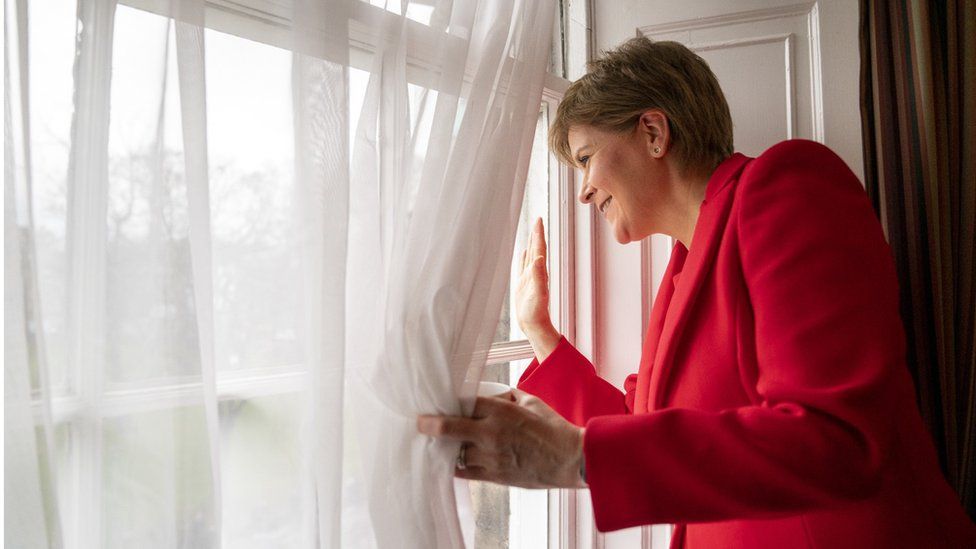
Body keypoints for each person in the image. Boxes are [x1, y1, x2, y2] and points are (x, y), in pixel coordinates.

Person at [417, 37, 976, 548]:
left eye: (586, 158)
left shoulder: (787, 186)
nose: (583, 191)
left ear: (654, 132)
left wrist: (572, 458)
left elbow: (838, 440)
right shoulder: (682, 269)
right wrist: (541, 334)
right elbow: (637, 422)